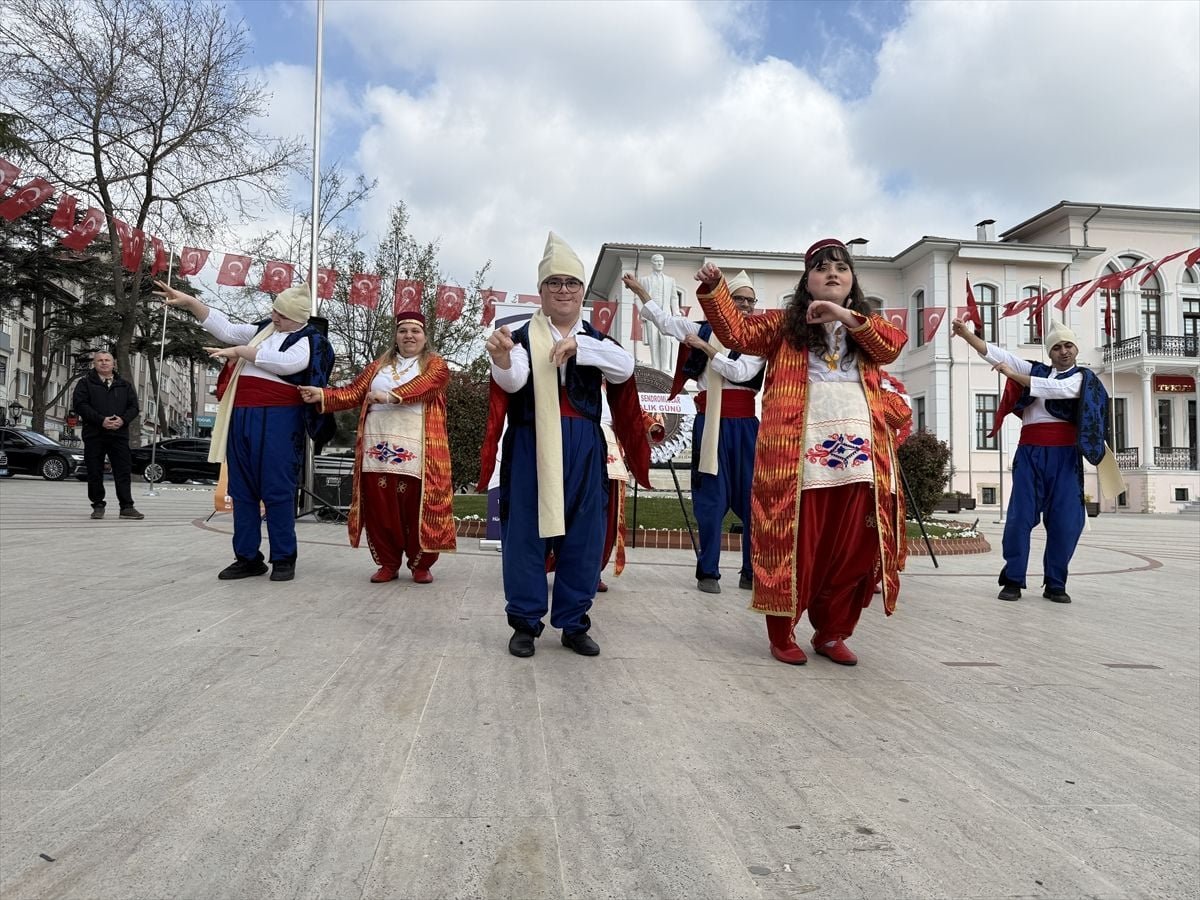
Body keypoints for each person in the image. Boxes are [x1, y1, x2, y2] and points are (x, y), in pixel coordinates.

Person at [695, 238, 908, 667]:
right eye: (822, 267)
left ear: (852, 281)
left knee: (851, 551)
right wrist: (715, 289)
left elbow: (893, 346)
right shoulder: (782, 325)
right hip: (798, 458)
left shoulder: (864, 327)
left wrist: (844, 316)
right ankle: (782, 632)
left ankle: (831, 633)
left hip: (862, 460)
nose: (833, 272)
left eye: (842, 267)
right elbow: (736, 332)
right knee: (797, 546)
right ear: (807, 281)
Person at [479, 231, 652, 658]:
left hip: (583, 445)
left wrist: (580, 347)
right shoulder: (518, 336)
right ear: (541, 291)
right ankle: (525, 621)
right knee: (523, 533)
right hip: (531, 441)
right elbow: (515, 379)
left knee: (585, 535)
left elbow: (624, 367)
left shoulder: (595, 337)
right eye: (553, 283)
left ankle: (574, 623)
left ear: (581, 291)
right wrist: (501, 360)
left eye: (571, 283)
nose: (563, 290)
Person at [155, 280, 334, 582]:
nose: (275, 318)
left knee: (277, 488)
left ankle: (283, 558)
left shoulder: (310, 340)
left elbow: (287, 364)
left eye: (282, 315)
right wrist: (190, 303)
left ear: (299, 317)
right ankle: (248, 557)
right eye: (275, 311)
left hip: (279, 420)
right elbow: (224, 328)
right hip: (243, 416)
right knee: (242, 489)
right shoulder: (264, 331)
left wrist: (241, 351)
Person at [951, 317, 1112, 604]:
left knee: (1065, 522)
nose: (1064, 351)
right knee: (1019, 518)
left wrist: (1013, 375)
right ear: (1049, 353)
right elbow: (995, 353)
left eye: (1068, 346)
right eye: (1057, 348)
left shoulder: (1083, 380)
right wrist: (966, 335)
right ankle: (1013, 579)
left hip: (1065, 457)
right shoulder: (1036, 369)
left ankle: (1055, 583)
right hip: (1030, 454)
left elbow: (1053, 390)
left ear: (1075, 350)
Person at [624, 269, 764, 594]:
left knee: (753, 498)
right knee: (711, 499)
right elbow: (664, 320)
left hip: (744, 428)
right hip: (709, 424)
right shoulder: (702, 327)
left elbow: (740, 372)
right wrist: (639, 292)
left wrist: (705, 347)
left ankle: (751, 571)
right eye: (737, 299)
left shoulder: (757, 339)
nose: (744, 305)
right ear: (724, 301)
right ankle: (708, 572)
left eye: (749, 301)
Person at [298, 312, 455, 584]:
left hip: (419, 452)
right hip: (376, 448)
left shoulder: (435, 365)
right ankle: (388, 563)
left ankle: (421, 565)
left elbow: (427, 386)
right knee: (381, 509)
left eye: (415, 331)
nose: (409, 336)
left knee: (415, 507)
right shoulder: (378, 366)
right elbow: (354, 392)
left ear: (424, 336)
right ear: (395, 336)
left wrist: (391, 395)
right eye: (403, 331)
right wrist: (323, 395)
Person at [72, 350, 144, 520]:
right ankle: (97, 505)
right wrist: (101, 420)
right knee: (94, 471)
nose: (104, 363)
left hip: (119, 435)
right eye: (100, 360)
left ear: (114, 364)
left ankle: (126, 507)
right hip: (94, 434)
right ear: (94, 364)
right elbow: (80, 405)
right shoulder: (85, 383)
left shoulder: (124, 385)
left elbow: (134, 407)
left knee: (123, 470)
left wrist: (123, 420)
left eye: (107, 360)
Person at [638, 253, 682, 370]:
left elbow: (674, 297)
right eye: (657, 261)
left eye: (661, 261)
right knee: (654, 341)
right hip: (651, 314)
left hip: (665, 313)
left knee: (666, 338)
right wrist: (642, 313)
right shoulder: (644, 280)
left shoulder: (670, 280)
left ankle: (665, 367)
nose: (659, 263)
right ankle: (656, 367)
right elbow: (638, 297)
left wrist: (676, 312)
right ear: (652, 263)